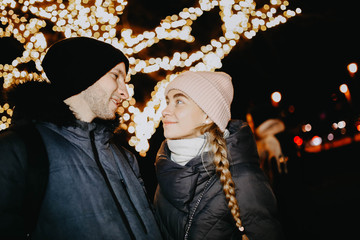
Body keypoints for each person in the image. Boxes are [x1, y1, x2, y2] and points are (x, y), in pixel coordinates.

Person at [0, 37, 162, 239]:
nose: (125, 93)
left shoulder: (124, 157)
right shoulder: (17, 148)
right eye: (115, 76)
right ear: (82, 75)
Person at [153, 71, 283, 240]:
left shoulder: (242, 179)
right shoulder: (167, 170)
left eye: (179, 101)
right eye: (167, 101)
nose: (165, 111)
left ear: (208, 115)